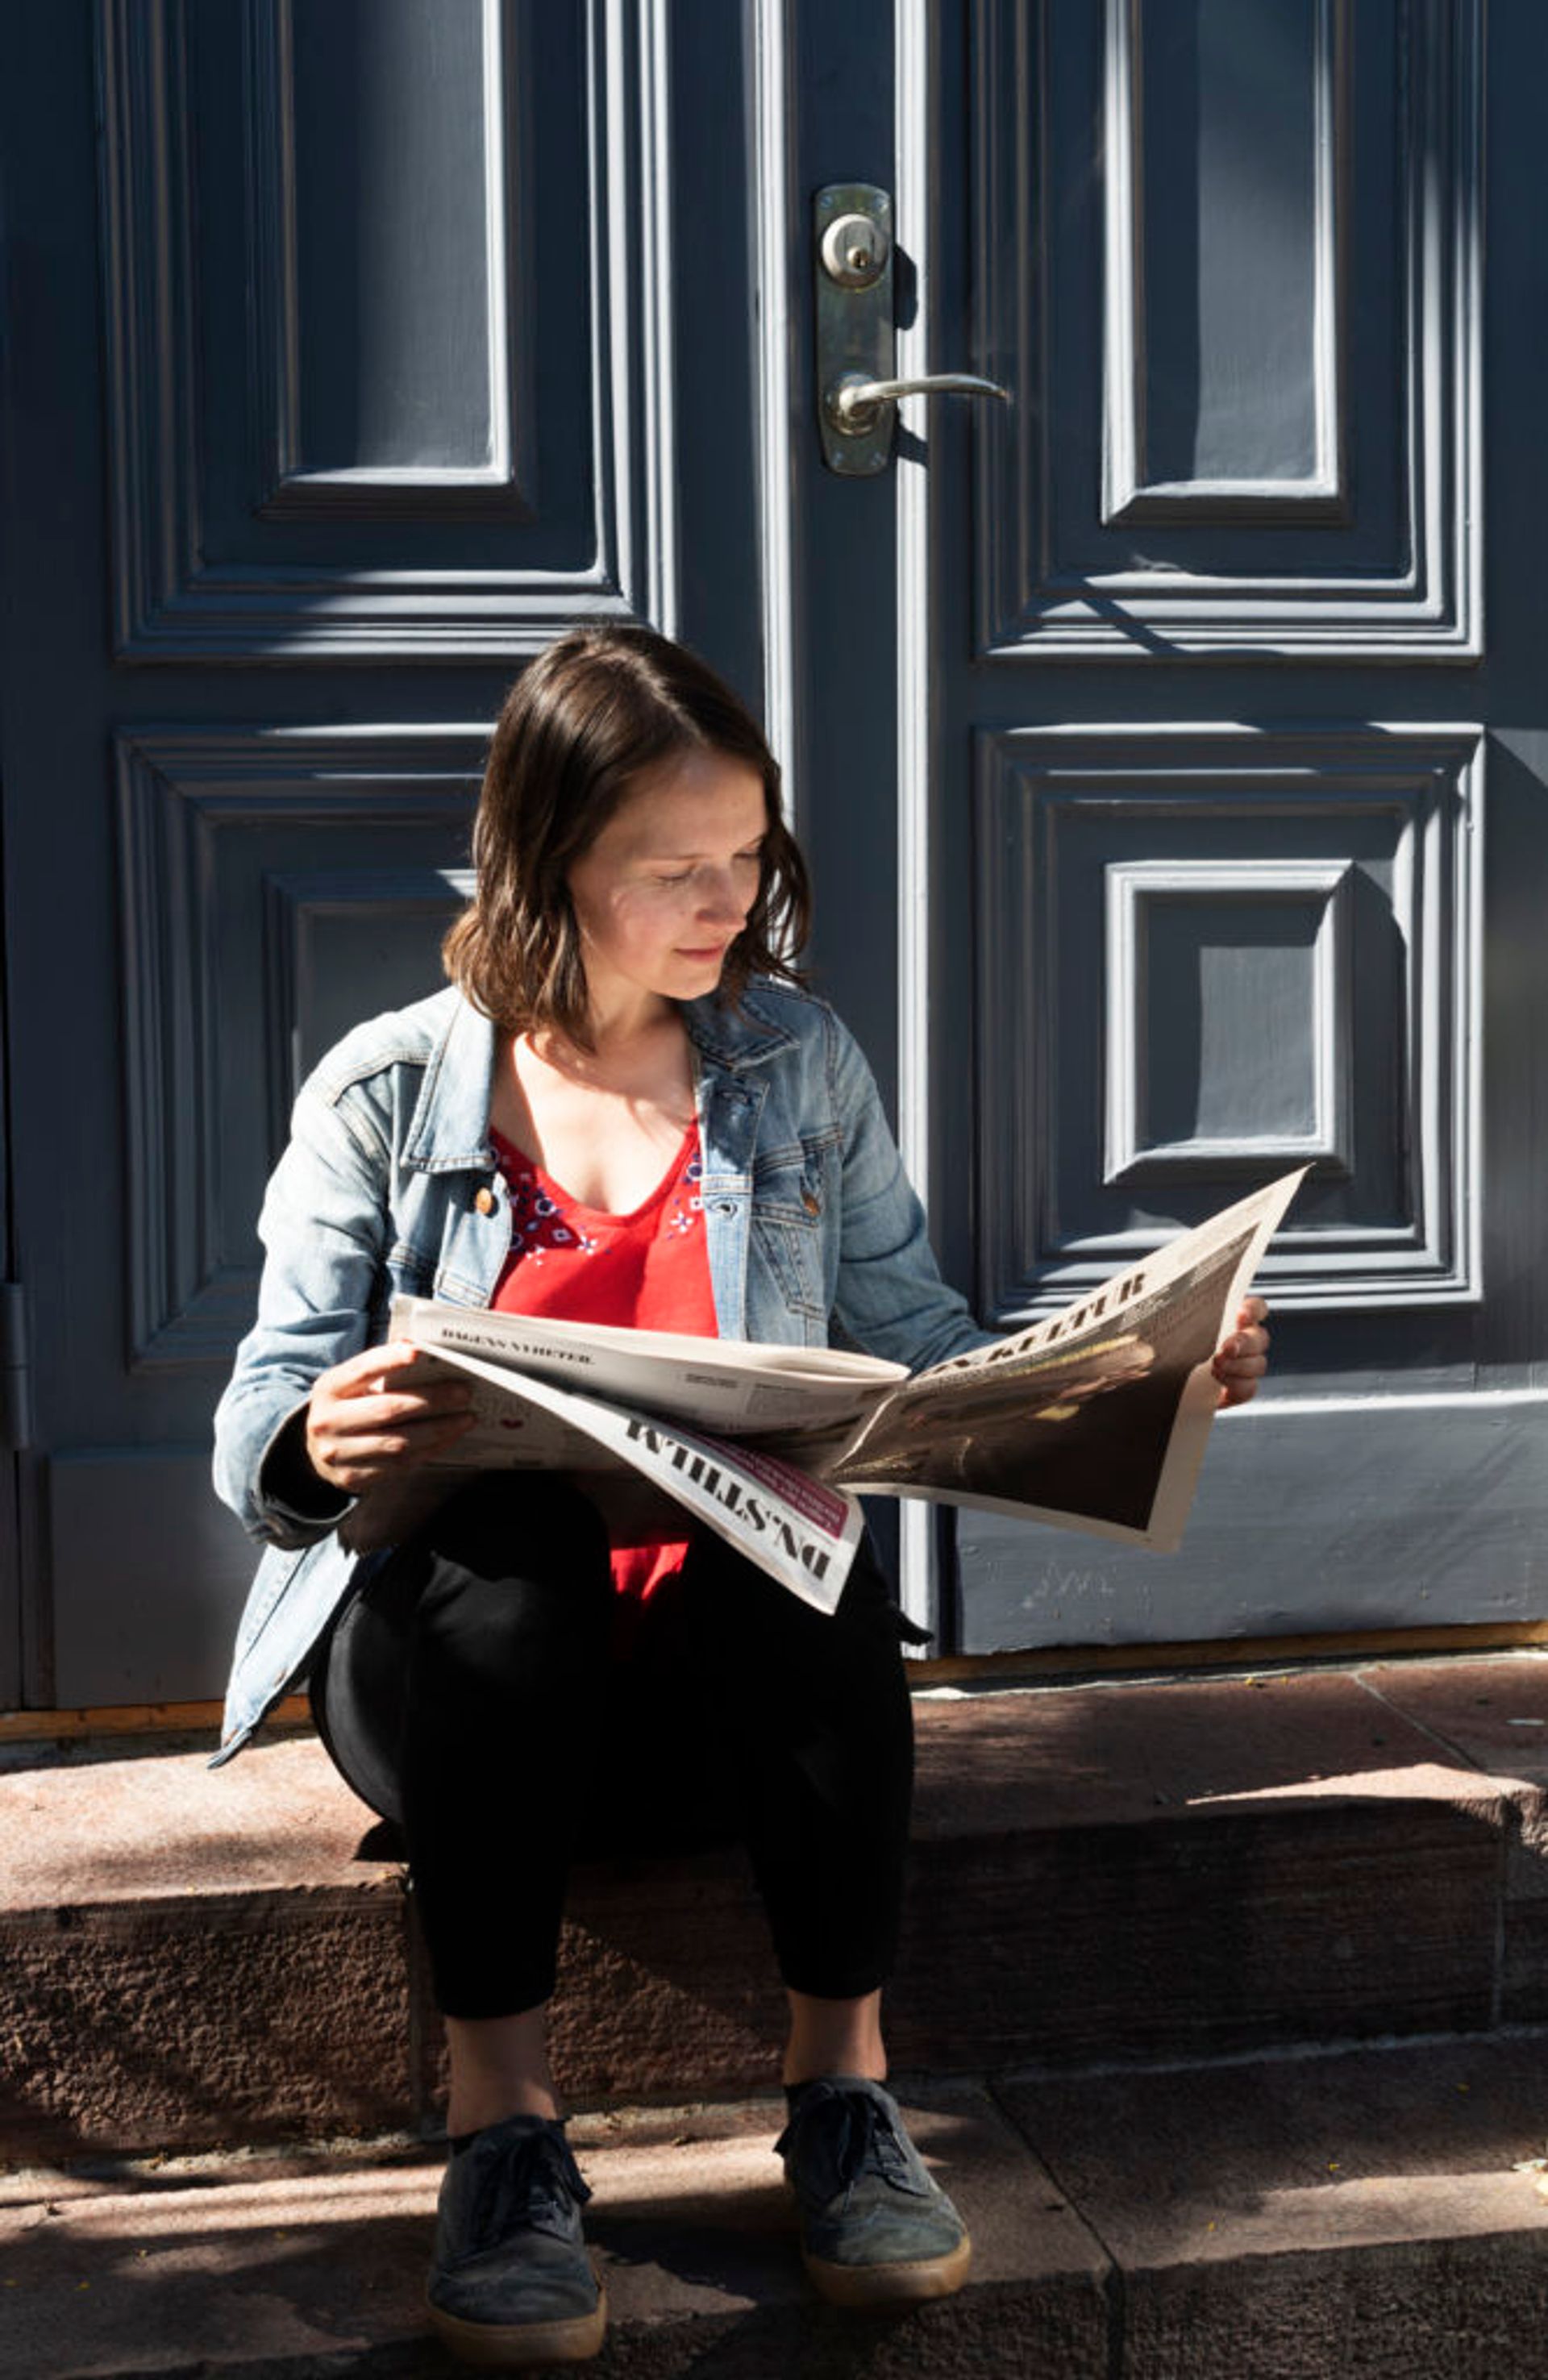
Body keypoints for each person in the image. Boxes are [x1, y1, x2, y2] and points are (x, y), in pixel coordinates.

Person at [211, 625, 1270, 2368]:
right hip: (464, 1693)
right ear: (550, 862)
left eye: (751, 856)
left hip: (720, 1694)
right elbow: (265, 1404)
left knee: (804, 1542)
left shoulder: (793, 1062)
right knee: (527, 1530)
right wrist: (316, 1443)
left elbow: (917, 1340)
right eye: (674, 869)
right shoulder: (392, 1092)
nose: (730, 902)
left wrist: (1144, 1368)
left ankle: (843, 2100)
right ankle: (503, 2135)